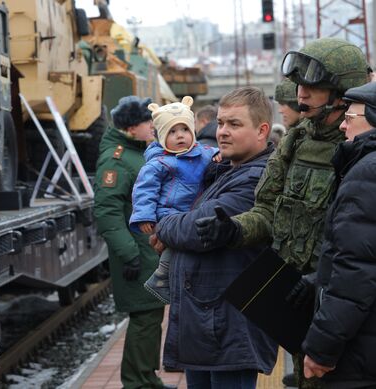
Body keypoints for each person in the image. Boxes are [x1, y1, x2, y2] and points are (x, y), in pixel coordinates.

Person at [195, 38, 371, 389]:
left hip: (344, 305)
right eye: (300, 85)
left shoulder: (360, 150)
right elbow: (268, 211)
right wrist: (233, 229)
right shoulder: (295, 141)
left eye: (312, 87)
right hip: (298, 301)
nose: (300, 93)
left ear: (341, 92)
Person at [153, 87, 278, 388]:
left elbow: (198, 228)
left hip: (229, 326)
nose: (222, 132)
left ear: (262, 131)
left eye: (234, 124)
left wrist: (163, 225)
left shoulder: (256, 178)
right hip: (209, 323)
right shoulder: (227, 172)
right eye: (221, 123)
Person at [93, 96, 173, 389]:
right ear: (130, 128)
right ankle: (137, 382)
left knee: (150, 318)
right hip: (137, 256)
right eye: (147, 123)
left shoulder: (135, 154)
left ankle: (147, 378)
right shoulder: (116, 160)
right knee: (144, 318)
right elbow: (106, 212)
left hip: (146, 252)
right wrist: (130, 255)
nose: (153, 127)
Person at [301, 81, 376, 388]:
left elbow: (356, 272)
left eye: (350, 117)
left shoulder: (366, 174)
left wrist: (322, 349)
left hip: (360, 353)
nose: (344, 126)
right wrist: (316, 280)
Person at [129, 96, 218, 304]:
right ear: (161, 137)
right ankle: (161, 277)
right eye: (172, 132)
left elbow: (219, 153)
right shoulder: (159, 163)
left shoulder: (204, 153)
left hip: (193, 211)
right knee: (174, 245)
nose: (180, 136)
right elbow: (144, 191)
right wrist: (144, 216)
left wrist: (221, 156)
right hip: (169, 212)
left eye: (185, 130)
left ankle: (177, 279)